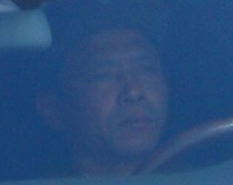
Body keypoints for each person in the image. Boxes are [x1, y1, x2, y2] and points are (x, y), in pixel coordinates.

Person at [36, 27, 170, 177]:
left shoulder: (198, 175)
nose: (134, 91)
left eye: (147, 69)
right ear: (54, 111)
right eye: (104, 75)